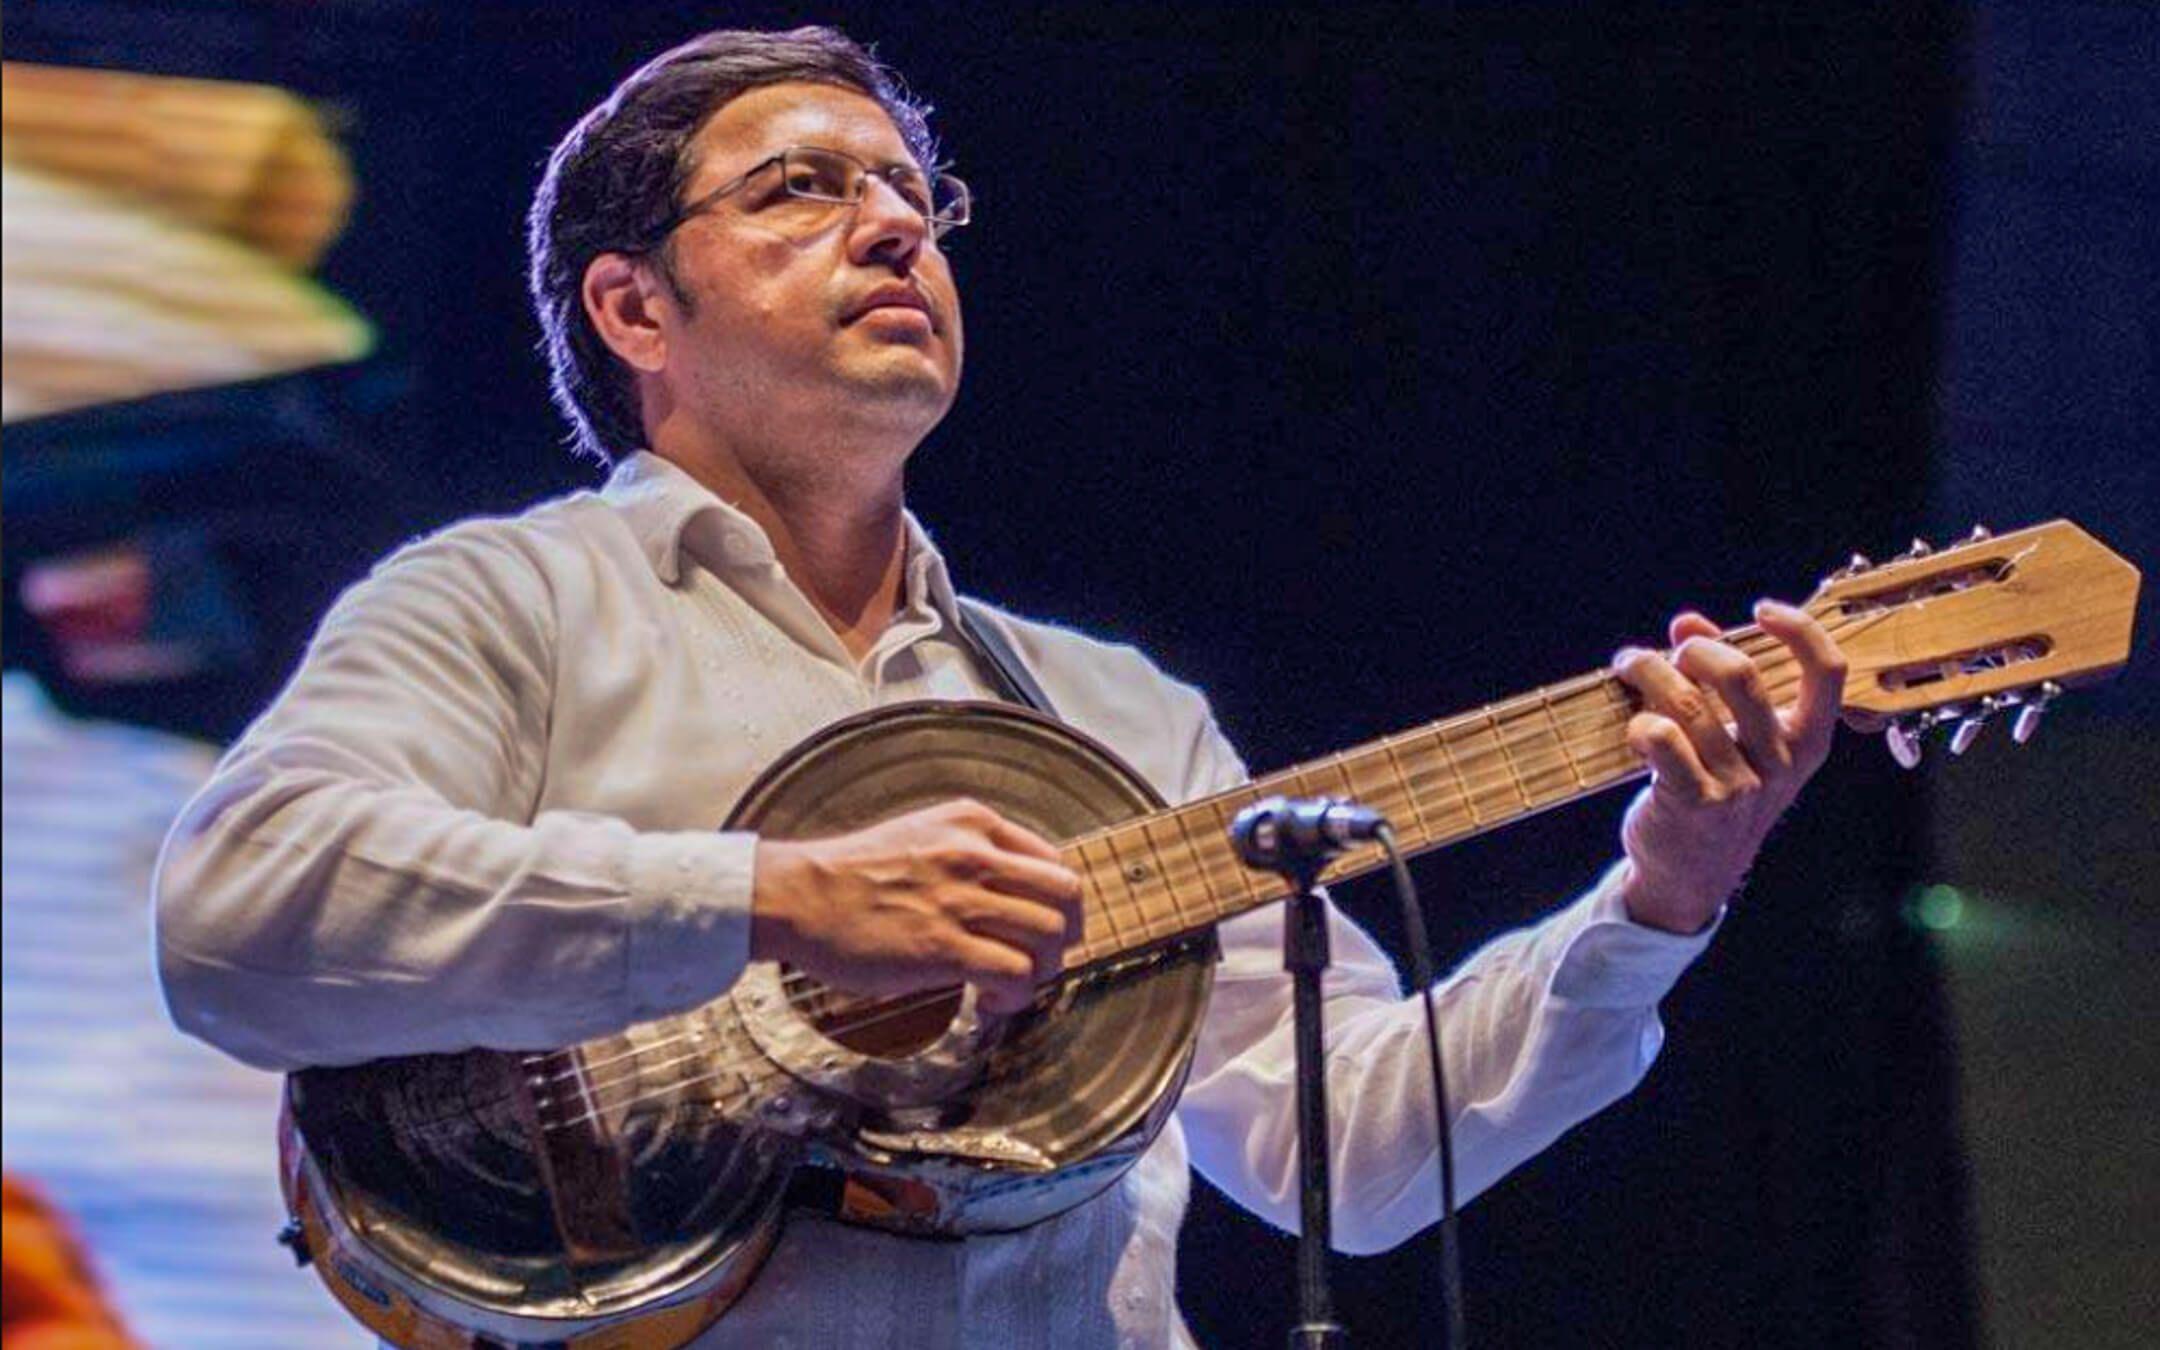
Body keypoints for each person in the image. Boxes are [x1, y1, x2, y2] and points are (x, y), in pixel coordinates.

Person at [153, 26, 1849, 1348]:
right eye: (801, 189)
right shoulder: (509, 601)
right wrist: (782, 899)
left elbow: (1363, 1146)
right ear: (633, 305)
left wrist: (1661, 892)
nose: (895, 223)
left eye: (913, 194)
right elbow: (235, 913)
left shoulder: (1117, 716)